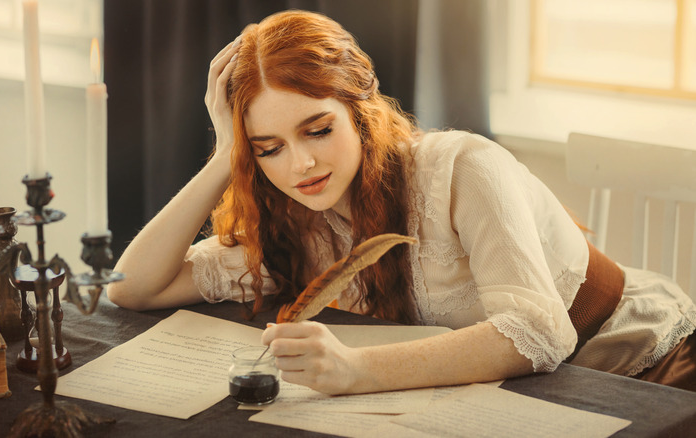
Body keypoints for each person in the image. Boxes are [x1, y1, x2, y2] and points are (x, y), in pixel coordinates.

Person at [107, 10, 696, 394]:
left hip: (643, 366)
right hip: (520, 396)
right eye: (269, 147)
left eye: (317, 130)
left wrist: (356, 369)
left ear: (360, 111)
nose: (300, 165)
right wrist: (225, 157)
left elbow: (539, 333)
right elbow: (134, 287)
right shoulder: (289, 212)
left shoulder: (462, 168)